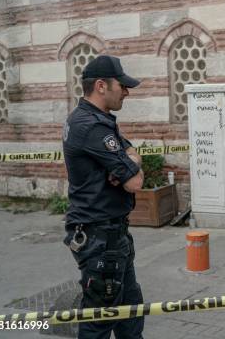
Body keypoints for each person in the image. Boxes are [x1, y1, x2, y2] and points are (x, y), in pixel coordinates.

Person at [62, 55, 145, 339]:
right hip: (101, 238)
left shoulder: (96, 120)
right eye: (121, 85)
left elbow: (129, 152)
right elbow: (134, 182)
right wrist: (130, 164)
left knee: (130, 314)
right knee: (99, 323)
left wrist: (130, 158)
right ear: (101, 85)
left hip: (111, 235)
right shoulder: (92, 126)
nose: (126, 91)